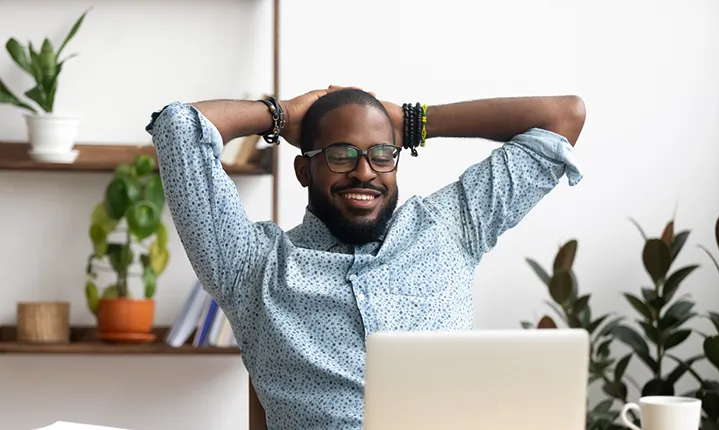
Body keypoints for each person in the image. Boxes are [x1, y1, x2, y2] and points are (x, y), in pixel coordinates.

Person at [145, 86, 586, 429]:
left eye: (382, 155)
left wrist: (410, 122)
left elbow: (563, 116)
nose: (364, 171)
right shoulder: (250, 265)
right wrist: (283, 116)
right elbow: (178, 127)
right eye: (340, 155)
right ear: (304, 170)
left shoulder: (451, 226)